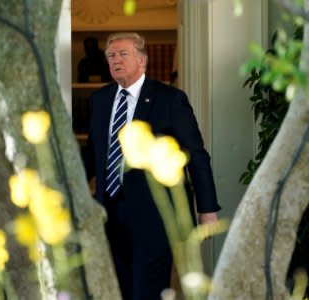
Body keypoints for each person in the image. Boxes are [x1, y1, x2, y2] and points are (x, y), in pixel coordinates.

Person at [85, 32, 220, 300]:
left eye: (123, 54)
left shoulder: (169, 99)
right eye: (111, 56)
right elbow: (92, 154)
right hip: (110, 210)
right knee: (120, 288)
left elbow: (197, 155)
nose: (116, 60)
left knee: (147, 290)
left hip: (156, 215)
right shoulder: (100, 100)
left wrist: (207, 209)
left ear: (142, 61)